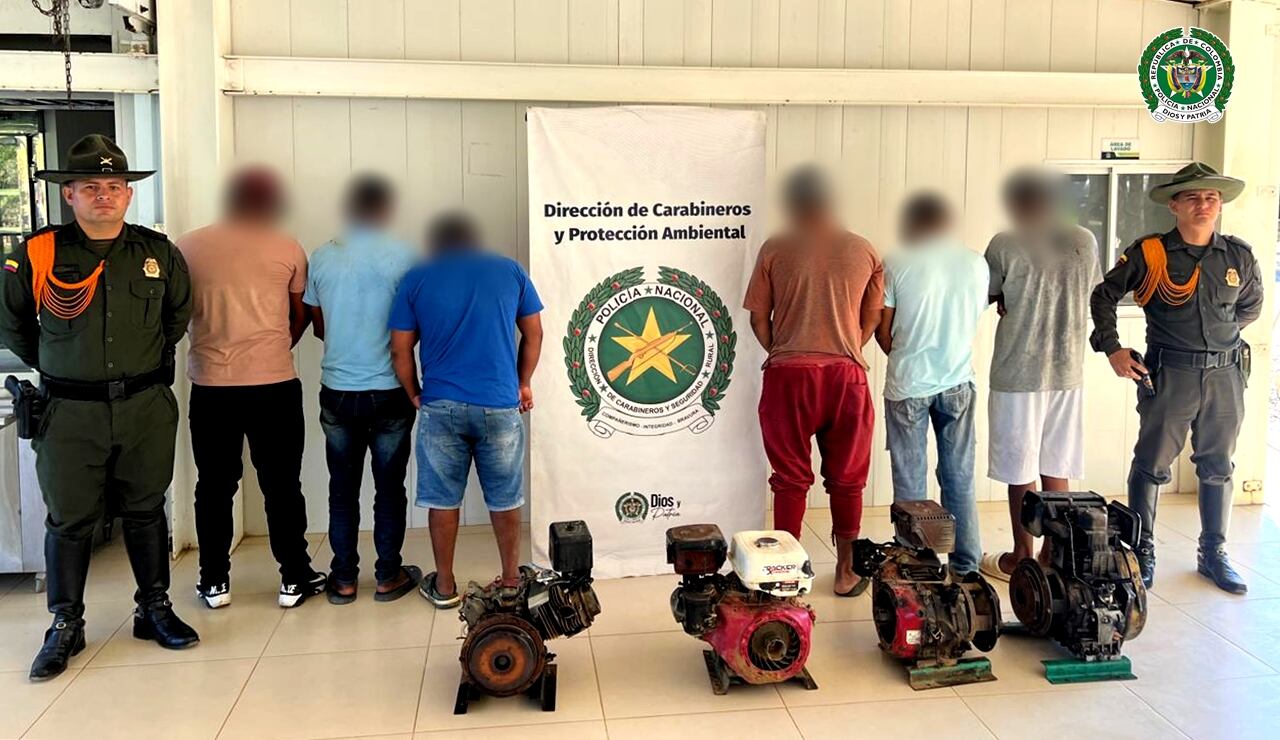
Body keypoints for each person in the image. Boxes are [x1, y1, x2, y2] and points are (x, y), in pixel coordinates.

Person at [0, 134, 199, 681]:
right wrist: (56, 359)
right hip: (70, 411)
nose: (105, 196)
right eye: (92, 187)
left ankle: (154, 609)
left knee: (146, 508)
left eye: (115, 187)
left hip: (144, 407)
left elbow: (178, 316)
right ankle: (65, 624)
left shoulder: (158, 253)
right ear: (70, 194)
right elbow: (12, 319)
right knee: (69, 519)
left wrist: (146, 363)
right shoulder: (39, 252)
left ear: (128, 196)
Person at [1090, 162, 1261, 594]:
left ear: (1219, 205)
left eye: (1211, 198)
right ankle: (1141, 551)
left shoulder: (1237, 255)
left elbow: (1250, 307)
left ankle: (1213, 553)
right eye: (1193, 198)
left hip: (1225, 375)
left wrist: (1217, 339)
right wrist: (1112, 347)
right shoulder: (1152, 253)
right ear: (1174, 205)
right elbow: (1104, 294)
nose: (1204, 205)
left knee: (1218, 466)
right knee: (1151, 465)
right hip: (1172, 373)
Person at [178, 167, 326, 609]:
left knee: (214, 486)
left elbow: (172, 311)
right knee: (282, 485)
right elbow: (299, 316)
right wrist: (275, 347)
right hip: (273, 385)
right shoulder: (288, 247)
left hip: (210, 386)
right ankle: (294, 579)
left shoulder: (186, 246)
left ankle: (213, 582)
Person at [389, 212, 543, 608]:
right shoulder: (510, 272)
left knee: (443, 499)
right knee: (505, 498)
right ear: (474, 240)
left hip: (441, 405)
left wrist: (414, 393)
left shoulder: (416, 278)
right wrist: (522, 382)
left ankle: (444, 586)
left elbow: (400, 348)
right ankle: (511, 581)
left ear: (436, 243)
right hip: (499, 404)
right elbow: (535, 332)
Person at [744, 166, 883, 597]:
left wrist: (784, 351)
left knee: (789, 478)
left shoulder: (775, 248)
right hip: (846, 375)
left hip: (788, 376)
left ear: (793, 204)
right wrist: (845, 348)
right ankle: (846, 571)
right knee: (847, 479)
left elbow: (757, 317)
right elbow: (872, 317)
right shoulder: (864, 251)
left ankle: (787, 575)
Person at [979, 169, 1101, 582]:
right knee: (1056, 466)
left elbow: (988, 293)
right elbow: (1091, 292)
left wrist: (1007, 300)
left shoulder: (1006, 243)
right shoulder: (1084, 240)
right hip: (1068, 371)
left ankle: (1021, 556)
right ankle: (1053, 553)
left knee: (1020, 469)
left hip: (1019, 371)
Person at [304, 175, 421, 604]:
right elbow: (414, 329)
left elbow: (319, 327)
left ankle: (343, 579)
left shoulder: (322, 256)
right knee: (390, 488)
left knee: (342, 489)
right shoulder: (407, 257)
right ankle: (388, 575)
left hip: (337, 389)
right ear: (386, 210)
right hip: (390, 389)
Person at [875, 193, 988, 576]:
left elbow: (884, 330)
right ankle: (967, 565)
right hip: (958, 380)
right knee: (958, 475)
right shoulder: (976, 263)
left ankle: (917, 567)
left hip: (908, 382)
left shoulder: (896, 262)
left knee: (910, 476)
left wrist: (903, 354)